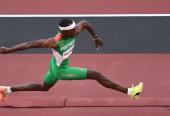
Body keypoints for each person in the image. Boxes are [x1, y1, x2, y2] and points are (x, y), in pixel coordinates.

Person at [0, 18, 143, 101]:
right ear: (64, 32)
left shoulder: (74, 31)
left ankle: (7, 89)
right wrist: (8, 50)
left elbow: (85, 23)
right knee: (96, 75)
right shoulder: (54, 41)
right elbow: (29, 44)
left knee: (44, 88)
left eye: (76, 28)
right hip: (61, 70)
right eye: (73, 30)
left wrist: (96, 37)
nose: (76, 31)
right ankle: (131, 93)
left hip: (55, 65)